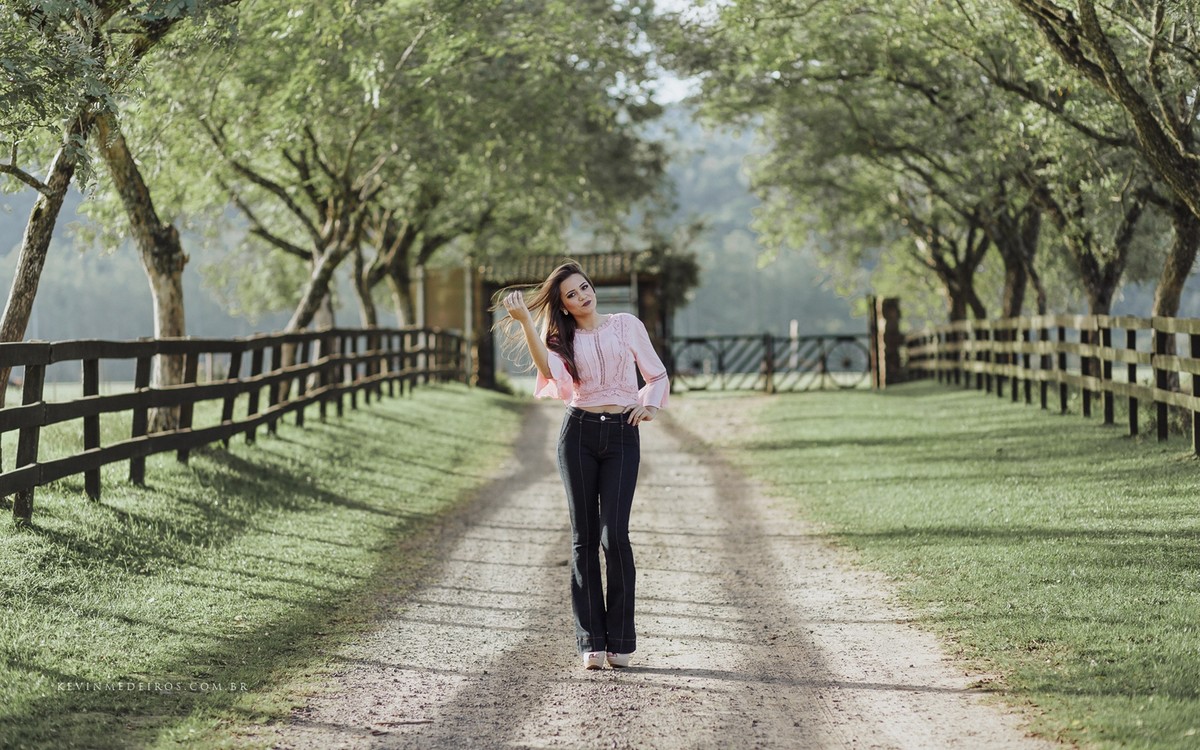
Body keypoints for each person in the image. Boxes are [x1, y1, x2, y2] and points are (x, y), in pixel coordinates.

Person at [494, 260, 670, 670]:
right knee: (584, 538)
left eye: (584, 287)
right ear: (564, 305)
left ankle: (620, 641)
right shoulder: (560, 337)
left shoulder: (626, 325)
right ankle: (591, 641)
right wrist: (526, 323)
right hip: (578, 435)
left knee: (615, 535)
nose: (582, 296)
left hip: (623, 435)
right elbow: (549, 372)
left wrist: (649, 406)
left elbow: (656, 376)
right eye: (571, 295)